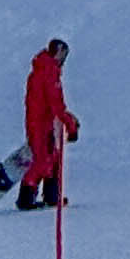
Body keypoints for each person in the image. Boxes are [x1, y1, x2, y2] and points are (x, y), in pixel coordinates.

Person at [16, 38, 77, 211]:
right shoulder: (48, 72)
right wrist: (69, 123)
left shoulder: (43, 69)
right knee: (42, 159)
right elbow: (56, 103)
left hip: (42, 121)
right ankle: (26, 197)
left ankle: (51, 195)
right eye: (63, 54)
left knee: (53, 157)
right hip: (41, 123)